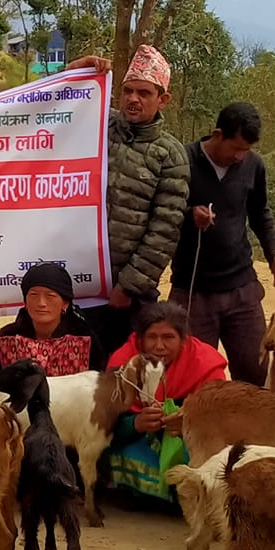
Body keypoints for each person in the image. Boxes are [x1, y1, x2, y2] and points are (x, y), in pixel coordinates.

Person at [172, 102, 275, 384]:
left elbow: (260, 212)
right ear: (217, 134)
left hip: (242, 290)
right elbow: (163, 210)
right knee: (194, 380)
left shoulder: (253, 166)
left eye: (246, 150)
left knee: (256, 372)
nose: (239, 156)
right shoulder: (182, 161)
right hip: (192, 294)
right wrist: (189, 215)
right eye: (235, 148)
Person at [96, 46, 190, 362]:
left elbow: (164, 230)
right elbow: (59, 105)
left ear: (163, 99)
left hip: (129, 293)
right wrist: (77, 68)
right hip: (84, 281)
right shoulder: (98, 127)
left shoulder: (170, 155)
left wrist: (129, 286)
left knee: (127, 373)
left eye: (144, 93)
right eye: (128, 91)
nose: (133, 99)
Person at [99, 302, 229, 503]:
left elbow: (221, 423)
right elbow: (103, 425)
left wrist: (187, 423)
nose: (159, 346)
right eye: (152, 337)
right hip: (140, 442)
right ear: (140, 340)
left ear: (183, 340)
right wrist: (135, 424)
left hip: (191, 442)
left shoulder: (205, 366)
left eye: (168, 337)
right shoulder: (123, 365)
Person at [0, 263, 101, 376]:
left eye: (50, 296)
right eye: (34, 295)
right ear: (25, 301)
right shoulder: (7, 337)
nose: (41, 303)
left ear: (65, 303)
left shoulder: (83, 337)